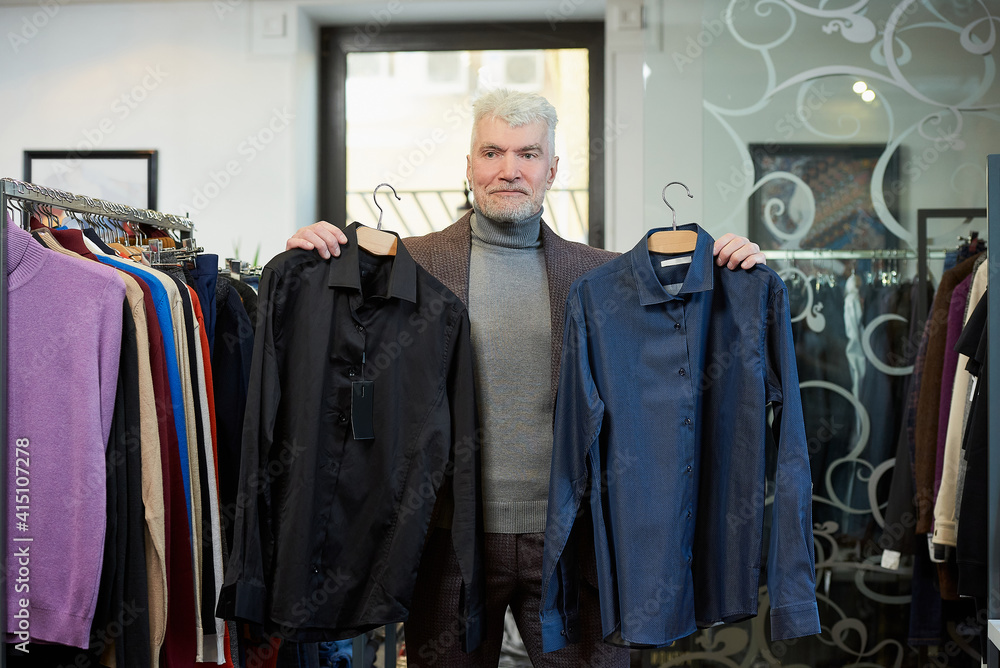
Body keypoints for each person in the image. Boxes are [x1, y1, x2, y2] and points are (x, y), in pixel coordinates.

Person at [286, 89, 765, 667]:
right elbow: (326, 346)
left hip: (573, 543)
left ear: (552, 169)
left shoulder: (605, 276)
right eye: (491, 152)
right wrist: (312, 253)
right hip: (447, 544)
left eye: (528, 154)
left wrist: (729, 264)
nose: (509, 170)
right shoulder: (402, 269)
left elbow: (676, 348)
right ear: (468, 166)